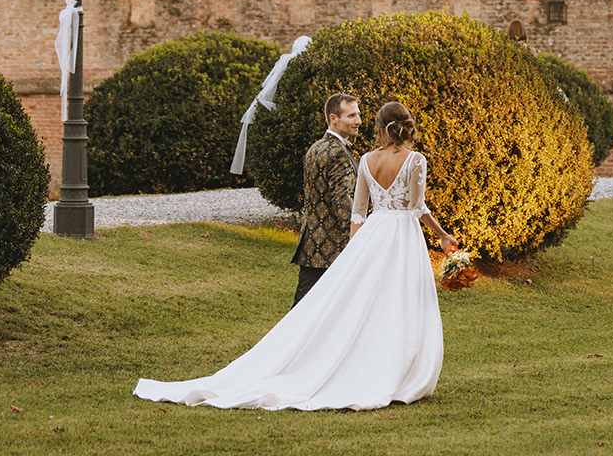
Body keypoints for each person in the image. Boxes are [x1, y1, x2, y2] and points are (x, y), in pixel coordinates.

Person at [133, 100, 459, 412]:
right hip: (402, 236)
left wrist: (353, 255)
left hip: (372, 236)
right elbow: (417, 209)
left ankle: (377, 366)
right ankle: (400, 374)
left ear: (380, 127)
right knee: (401, 301)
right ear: (406, 126)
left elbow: (358, 213)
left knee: (367, 303)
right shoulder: (416, 160)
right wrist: (443, 236)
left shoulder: (366, 160)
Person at [292, 92, 359, 305]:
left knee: (305, 306)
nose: (358, 121)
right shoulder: (338, 152)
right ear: (333, 118)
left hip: (312, 242)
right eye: (351, 116)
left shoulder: (316, 148)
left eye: (358, 114)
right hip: (333, 246)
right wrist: (359, 235)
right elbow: (342, 201)